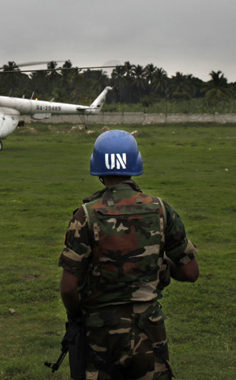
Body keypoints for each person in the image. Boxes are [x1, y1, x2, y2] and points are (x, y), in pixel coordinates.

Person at [59, 130, 199, 380]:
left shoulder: (86, 215)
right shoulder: (161, 209)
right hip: (148, 327)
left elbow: (69, 287)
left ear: (97, 169)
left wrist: (76, 317)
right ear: (135, 164)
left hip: (100, 330)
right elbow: (190, 272)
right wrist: (160, 263)